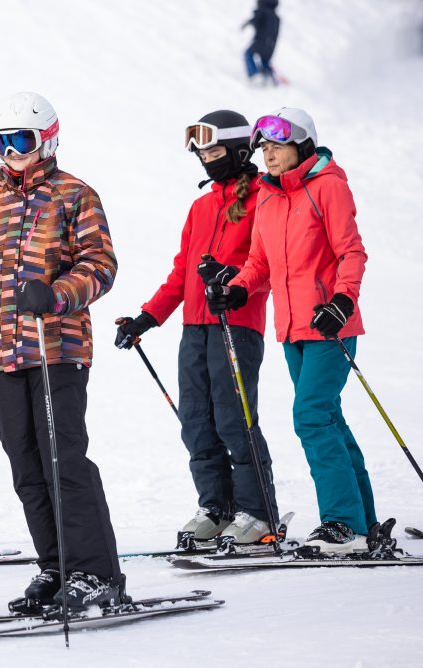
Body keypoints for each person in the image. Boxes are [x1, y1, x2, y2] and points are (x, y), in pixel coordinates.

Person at [0, 92, 123, 613]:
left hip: (56, 349)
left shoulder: (75, 195)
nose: (11, 150)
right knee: (25, 467)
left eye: (20, 139)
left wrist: (59, 294)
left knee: (63, 460)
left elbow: (101, 265)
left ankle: (96, 573)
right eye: (2, 141)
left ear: (46, 138)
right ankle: (56, 565)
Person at [207, 107, 376, 554]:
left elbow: (351, 253)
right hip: (292, 329)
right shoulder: (267, 194)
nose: (268, 155)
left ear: (301, 145)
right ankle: (364, 519)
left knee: (311, 416)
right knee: (327, 418)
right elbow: (259, 262)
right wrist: (238, 289)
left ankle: (343, 523)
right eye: (263, 147)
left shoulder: (329, 186)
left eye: (277, 146)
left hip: (330, 325)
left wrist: (341, 302)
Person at [114, 110, 278, 547]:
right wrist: (146, 318)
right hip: (194, 329)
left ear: (241, 151)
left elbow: (264, 265)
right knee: (196, 421)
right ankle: (216, 506)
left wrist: (229, 277)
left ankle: (256, 513)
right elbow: (181, 274)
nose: (207, 160)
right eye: (202, 153)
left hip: (236, 325)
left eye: (215, 151)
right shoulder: (202, 206)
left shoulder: (265, 198)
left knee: (233, 419)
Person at [243, 0, 281, 86]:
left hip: (261, 41)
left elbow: (257, 23)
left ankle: (254, 74)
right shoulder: (276, 17)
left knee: (248, 54)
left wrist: (252, 18)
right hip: (271, 46)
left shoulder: (262, 11)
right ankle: (269, 76)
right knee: (265, 60)